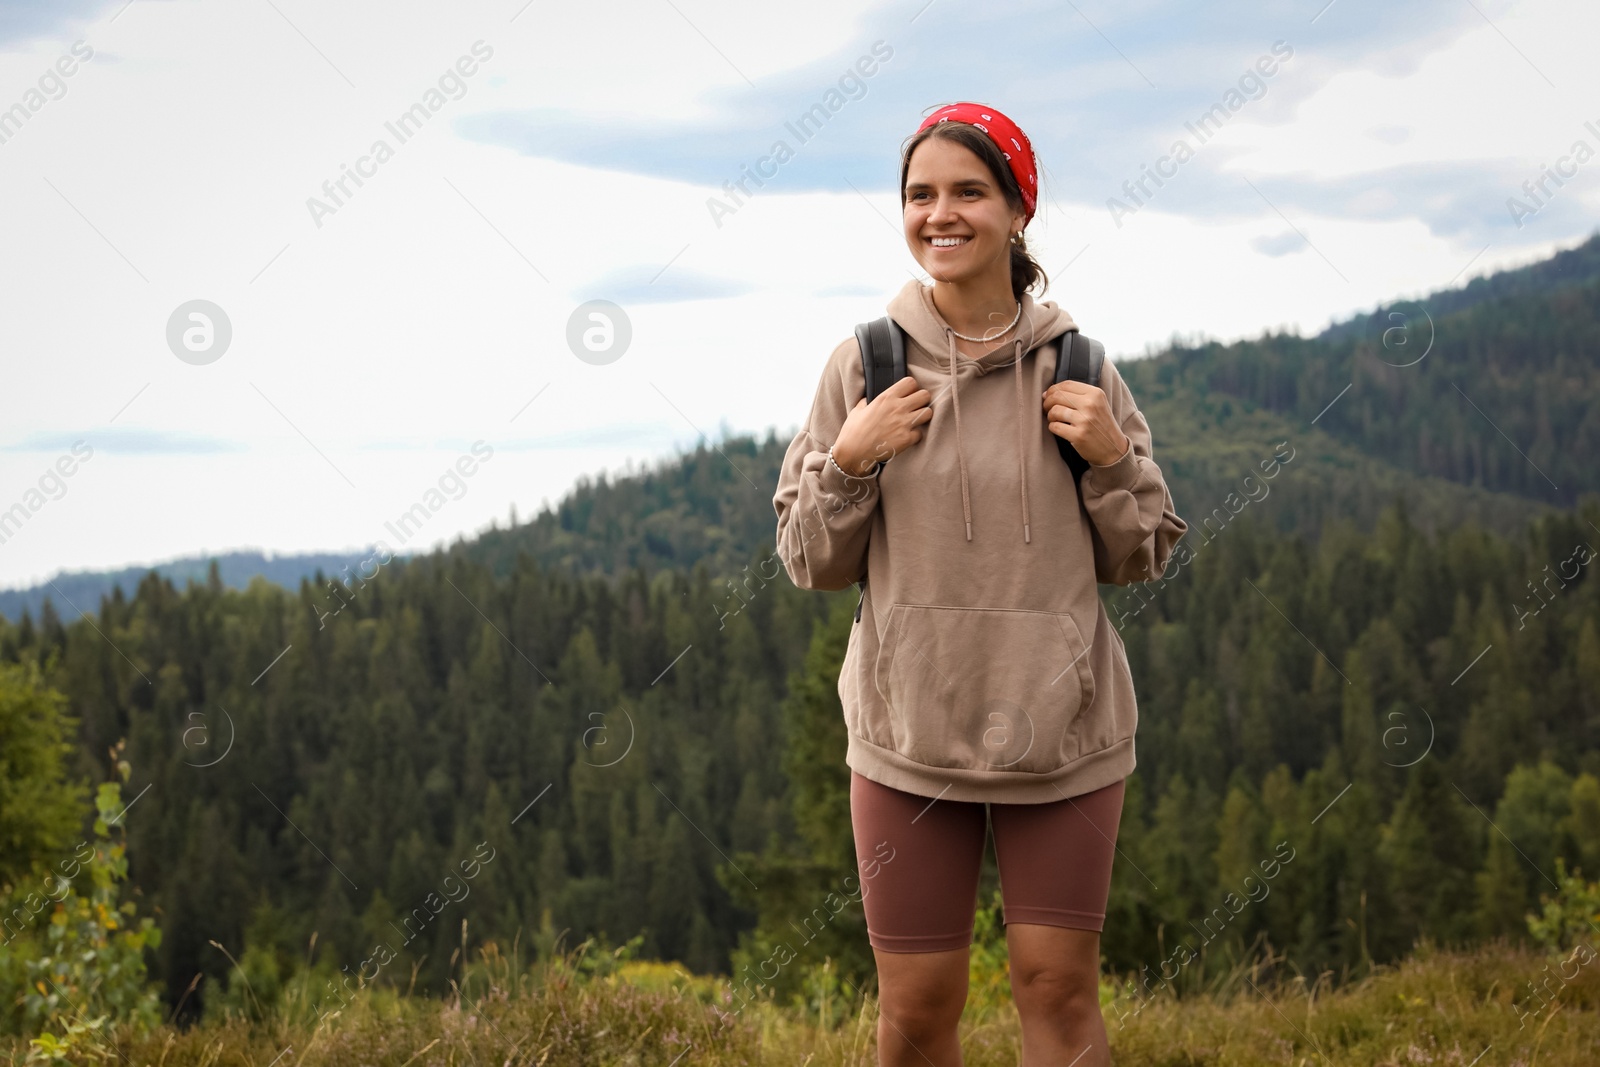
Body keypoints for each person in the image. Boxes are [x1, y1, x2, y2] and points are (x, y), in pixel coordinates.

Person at [771, 101, 1189, 1066]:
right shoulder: (863, 366)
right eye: (920, 194)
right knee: (917, 1012)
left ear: (1016, 210)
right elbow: (808, 559)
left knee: (1059, 992)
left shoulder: (1080, 367)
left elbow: (1142, 553)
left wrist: (1111, 458)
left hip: (1064, 737)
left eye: (969, 191)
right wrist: (849, 459)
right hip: (908, 739)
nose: (939, 213)